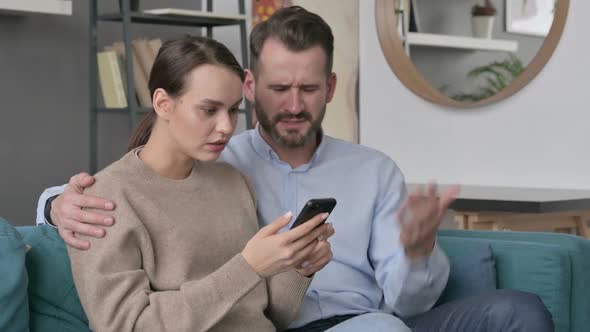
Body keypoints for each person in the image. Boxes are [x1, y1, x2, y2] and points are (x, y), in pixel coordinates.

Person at [38, 6, 554, 332]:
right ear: (251, 84)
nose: (292, 105)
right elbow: (125, 190)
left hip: (376, 319)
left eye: (308, 90)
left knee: (518, 311)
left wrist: (413, 252)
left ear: (329, 89)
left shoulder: (364, 171)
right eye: (278, 89)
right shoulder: (221, 159)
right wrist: (56, 204)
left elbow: (399, 300)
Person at [62, 35, 335, 332]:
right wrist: (247, 267)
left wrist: (298, 268)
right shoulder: (103, 200)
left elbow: (267, 316)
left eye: (233, 110)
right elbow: (126, 325)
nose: (227, 127)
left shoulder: (233, 182)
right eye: (209, 110)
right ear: (163, 103)